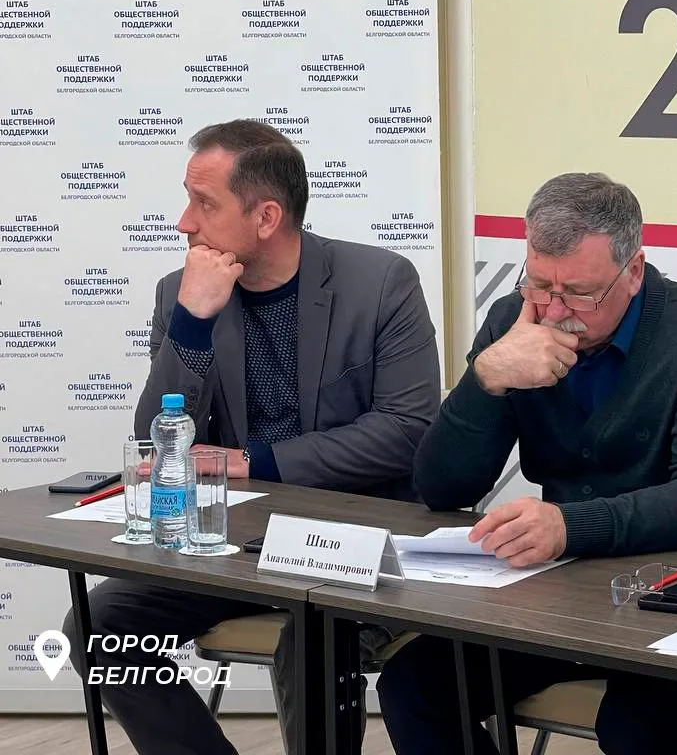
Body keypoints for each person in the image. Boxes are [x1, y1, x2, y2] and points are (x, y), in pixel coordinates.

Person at [62, 120, 441, 755]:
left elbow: (407, 431)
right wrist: (193, 321)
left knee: (312, 637)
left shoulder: (380, 282)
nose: (184, 222)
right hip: (236, 544)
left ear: (266, 216)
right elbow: (158, 437)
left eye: (204, 204)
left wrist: (254, 460)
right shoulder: (182, 293)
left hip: (356, 540)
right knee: (99, 627)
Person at [376, 172, 677, 755]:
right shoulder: (515, 323)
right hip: (576, 592)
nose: (554, 309)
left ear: (634, 270)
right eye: (539, 283)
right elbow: (442, 488)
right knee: (414, 684)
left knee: (634, 722)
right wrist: (486, 378)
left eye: (579, 292)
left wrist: (568, 526)